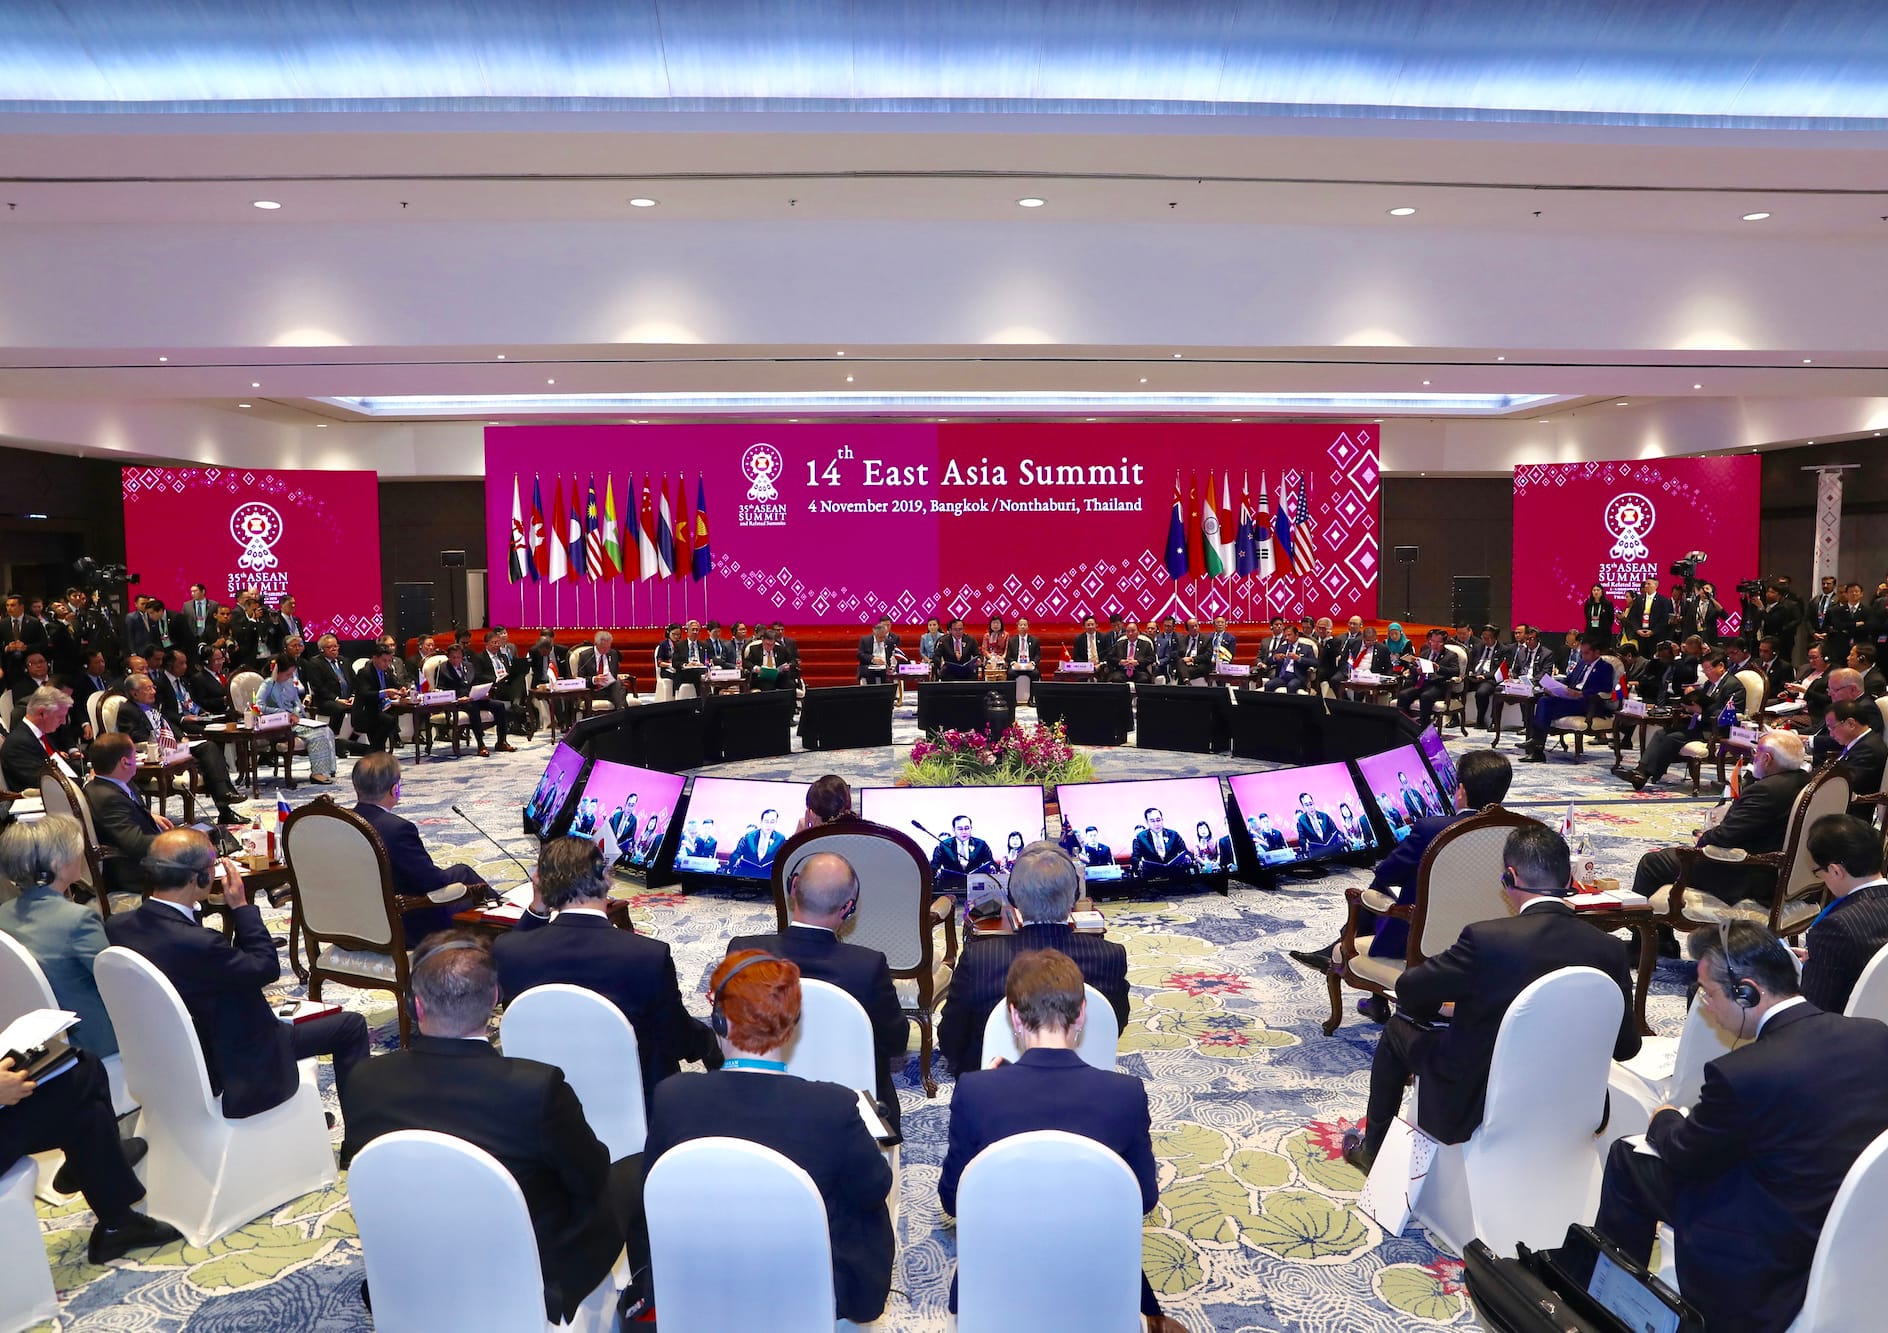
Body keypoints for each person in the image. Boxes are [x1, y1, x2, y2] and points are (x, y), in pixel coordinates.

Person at [1589, 923, 1888, 1333]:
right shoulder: (1874, 1035)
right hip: (1851, 1216)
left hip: (1765, 1247)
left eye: (1708, 994)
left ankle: (1612, 1307)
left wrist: (1665, 1117)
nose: (1706, 1007)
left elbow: (1685, 1155)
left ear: (1747, 991)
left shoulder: (1741, 1074)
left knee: (1628, 1155)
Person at [340, 932, 640, 1324]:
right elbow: (591, 1176)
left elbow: (363, 1168)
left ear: (416, 1005)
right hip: (529, 1273)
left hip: (416, 1258)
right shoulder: (537, 1087)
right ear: (495, 997)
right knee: (631, 1173)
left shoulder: (364, 1079)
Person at [1342, 824, 1641, 1170]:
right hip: (1571, 1095)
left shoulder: (1487, 940)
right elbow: (1626, 1047)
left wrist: (1448, 1007)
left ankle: (1372, 1152)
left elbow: (1410, 989)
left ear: (1510, 877)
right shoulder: (1609, 949)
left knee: (1397, 1028)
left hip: (1479, 1094)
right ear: (1569, 879)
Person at [642, 951, 894, 1325]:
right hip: (806, 1284)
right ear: (791, 1026)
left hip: (700, 1271)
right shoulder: (834, 1107)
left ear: (719, 1021)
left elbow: (652, 1188)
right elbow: (875, 1188)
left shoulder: (672, 1096)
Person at [938, 950, 1174, 1328]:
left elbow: (952, 1199)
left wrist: (995, 1084)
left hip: (998, 1278)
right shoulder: (1126, 1093)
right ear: (1081, 1014)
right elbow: (1143, 1199)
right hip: (1095, 1275)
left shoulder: (975, 1091)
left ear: (1014, 1016)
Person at [105, 828, 369, 1119]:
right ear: (201, 878)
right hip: (242, 1061)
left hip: (171, 1058)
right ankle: (357, 1139)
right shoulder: (200, 944)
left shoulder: (117, 926)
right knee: (351, 1027)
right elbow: (266, 968)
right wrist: (242, 907)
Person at [496, 837, 719, 1105]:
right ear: (606, 876)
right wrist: (709, 1042)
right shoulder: (646, 955)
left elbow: (513, 947)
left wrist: (538, 908)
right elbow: (677, 1040)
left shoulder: (510, 951)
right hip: (635, 1105)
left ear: (540, 884)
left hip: (544, 1101)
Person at [1291, 751, 1513, 999]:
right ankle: (1353, 969)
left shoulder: (1432, 829)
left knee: (1379, 889)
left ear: (1460, 790)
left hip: (1422, 942)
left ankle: (1342, 945)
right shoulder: (1525, 830)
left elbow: (1387, 873)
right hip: (1496, 940)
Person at [726, 851, 910, 1131]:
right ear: (848, 908)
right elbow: (896, 1041)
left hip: (762, 1104)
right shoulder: (868, 966)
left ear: (793, 887)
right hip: (851, 1112)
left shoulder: (743, 953)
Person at [937, 841, 1129, 1074]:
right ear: (1074, 896)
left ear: (1013, 897)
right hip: (1085, 1084)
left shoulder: (978, 959)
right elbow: (1112, 1027)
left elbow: (950, 1040)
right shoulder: (1109, 957)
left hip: (994, 1089)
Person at [1629, 731, 1812, 911]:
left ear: (1767, 759)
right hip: (1787, 873)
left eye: (1755, 754)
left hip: (1747, 875)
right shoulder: (1807, 781)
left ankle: (1646, 940)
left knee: (1653, 863)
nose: (1753, 758)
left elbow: (1724, 836)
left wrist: (1703, 838)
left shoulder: (1766, 790)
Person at [0, 814, 118, 1056]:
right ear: (56, 863)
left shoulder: (3, 913)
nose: (80, 856)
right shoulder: (78, 920)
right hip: (93, 1042)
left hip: (32, 1039)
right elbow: (116, 984)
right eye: (76, 851)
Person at [350, 751, 491, 942]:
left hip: (353, 921)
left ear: (356, 786)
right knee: (464, 875)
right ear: (394, 789)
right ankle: (514, 928)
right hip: (402, 925)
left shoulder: (338, 825)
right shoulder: (398, 829)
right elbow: (433, 882)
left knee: (460, 872)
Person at [111, 672, 246, 823]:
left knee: (209, 749)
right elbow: (135, 737)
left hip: (173, 749)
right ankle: (224, 803)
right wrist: (162, 743)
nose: (154, 691)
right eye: (148, 688)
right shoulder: (127, 711)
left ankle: (225, 803)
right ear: (135, 694)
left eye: (153, 687)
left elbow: (167, 724)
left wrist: (181, 737)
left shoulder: (151, 706)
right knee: (207, 758)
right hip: (157, 755)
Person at [1796, 814, 1888, 1013]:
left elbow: (1813, 1011)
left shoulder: (1835, 928)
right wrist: (1821, 958)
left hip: (1849, 1030)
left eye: (1819, 873)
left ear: (1836, 871)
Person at [1625, 650, 1747, 789]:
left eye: (1708, 669)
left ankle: (1644, 775)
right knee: (1661, 733)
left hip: (1717, 731)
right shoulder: (1709, 684)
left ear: (1720, 666)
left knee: (1672, 738)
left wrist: (1702, 711)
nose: (1706, 673)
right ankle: (1641, 770)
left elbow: (1730, 714)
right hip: (1700, 725)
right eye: (1704, 669)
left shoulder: (1733, 686)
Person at [83, 732, 174, 897]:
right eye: (135, 755)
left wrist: (147, 815)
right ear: (125, 762)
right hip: (135, 874)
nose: (139, 759)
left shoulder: (106, 785)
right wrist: (177, 840)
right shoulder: (109, 799)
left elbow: (124, 813)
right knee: (199, 868)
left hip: (141, 861)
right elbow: (137, 845)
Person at [1520, 635, 1616, 763]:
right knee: (1544, 700)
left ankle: (1537, 745)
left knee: (1545, 710)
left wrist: (1581, 694)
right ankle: (1537, 746)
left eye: (1586, 653)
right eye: (1582, 653)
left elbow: (1606, 689)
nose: (1583, 656)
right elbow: (1568, 679)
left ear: (1597, 652)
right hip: (1570, 698)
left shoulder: (1605, 667)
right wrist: (1554, 686)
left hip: (1587, 703)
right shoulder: (1582, 663)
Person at [256, 655, 337, 783]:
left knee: (326, 729)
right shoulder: (267, 684)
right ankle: (317, 773)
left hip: (295, 719)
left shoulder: (289, 683)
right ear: (278, 671)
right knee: (317, 735)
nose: (290, 676)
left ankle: (328, 770)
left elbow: (296, 701)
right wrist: (282, 713)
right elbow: (258, 706)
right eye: (287, 674)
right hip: (279, 723)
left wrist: (299, 713)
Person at [435, 642, 513, 756]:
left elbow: (475, 683)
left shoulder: (469, 666)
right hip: (459, 702)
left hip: (474, 697)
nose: (456, 660)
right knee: (473, 707)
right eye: (453, 657)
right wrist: (458, 699)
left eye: (459, 657)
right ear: (448, 657)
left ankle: (501, 741)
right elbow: (440, 689)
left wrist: (483, 693)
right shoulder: (442, 669)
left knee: (499, 706)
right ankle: (481, 744)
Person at [3, 684, 83, 791]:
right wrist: (84, 781)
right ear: (41, 713)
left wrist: (92, 773)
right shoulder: (17, 744)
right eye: (59, 716)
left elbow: (63, 765)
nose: (63, 721)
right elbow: (44, 781)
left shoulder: (41, 734)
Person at [1822, 698, 1887, 817]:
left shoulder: (1869, 750)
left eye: (1832, 728)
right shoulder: (1860, 742)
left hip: (1850, 814)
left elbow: (1844, 785)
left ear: (1851, 724)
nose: (1831, 734)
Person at [1394, 627, 1460, 727]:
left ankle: (1424, 727)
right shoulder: (1425, 653)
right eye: (1432, 641)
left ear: (1444, 642)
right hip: (1421, 683)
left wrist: (1438, 668)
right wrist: (1417, 670)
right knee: (1403, 695)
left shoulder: (1451, 655)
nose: (1435, 644)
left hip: (1437, 686)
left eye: (1438, 642)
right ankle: (1405, 726)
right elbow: (1413, 667)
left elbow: (1456, 671)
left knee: (1426, 696)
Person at [348, 642, 405, 752]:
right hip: (365, 712)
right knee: (389, 720)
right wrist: (385, 693)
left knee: (391, 718)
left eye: (389, 661)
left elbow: (396, 685)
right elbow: (365, 694)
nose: (387, 664)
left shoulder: (387, 671)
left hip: (381, 709)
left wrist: (402, 690)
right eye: (384, 660)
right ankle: (374, 749)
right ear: (375, 658)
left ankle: (375, 750)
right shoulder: (364, 673)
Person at [929, 812, 995, 892]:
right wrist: (937, 871)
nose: (964, 832)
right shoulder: (944, 845)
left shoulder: (981, 844)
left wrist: (992, 867)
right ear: (954, 830)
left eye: (967, 828)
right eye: (960, 829)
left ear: (971, 828)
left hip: (976, 887)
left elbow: (991, 863)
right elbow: (934, 866)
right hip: (951, 887)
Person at [1130, 806, 1191, 880]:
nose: (1156, 824)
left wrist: (1188, 858)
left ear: (1162, 820)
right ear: (1147, 822)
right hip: (1152, 878)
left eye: (1158, 820)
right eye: (1152, 821)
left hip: (1175, 876)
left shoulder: (1173, 835)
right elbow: (1134, 858)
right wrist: (1139, 863)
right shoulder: (1141, 837)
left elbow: (1186, 852)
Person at [727, 807, 785, 876]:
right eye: (766, 821)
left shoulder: (780, 838)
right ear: (761, 822)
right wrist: (735, 861)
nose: (769, 825)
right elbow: (736, 854)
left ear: (776, 823)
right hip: (747, 874)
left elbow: (782, 858)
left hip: (767, 876)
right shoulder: (749, 837)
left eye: (772, 822)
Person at [1619, 577, 1672, 652]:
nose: (1646, 586)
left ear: (1655, 586)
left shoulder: (1663, 600)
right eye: (1645, 584)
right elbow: (1633, 617)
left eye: (1648, 584)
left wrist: (1653, 631)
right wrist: (1637, 630)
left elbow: (1664, 619)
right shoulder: (1639, 599)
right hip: (1640, 635)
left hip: (1655, 636)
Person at [742, 624, 799, 692]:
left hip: (779, 677)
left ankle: (788, 703)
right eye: (768, 644)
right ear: (763, 640)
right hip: (762, 679)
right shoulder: (754, 649)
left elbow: (793, 661)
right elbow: (745, 662)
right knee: (768, 686)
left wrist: (789, 666)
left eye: (772, 645)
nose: (770, 647)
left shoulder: (781, 649)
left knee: (790, 685)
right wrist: (755, 668)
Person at [1292, 790, 1344, 858]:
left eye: (1311, 804)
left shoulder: (1324, 816)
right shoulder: (1301, 821)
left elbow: (1335, 830)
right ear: (1303, 807)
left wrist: (1341, 836)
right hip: (1318, 854)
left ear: (1313, 803)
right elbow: (1301, 839)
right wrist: (1305, 845)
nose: (1310, 807)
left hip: (1333, 850)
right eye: (1307, 805)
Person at [933, 616, 978, 680]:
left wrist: (979, 660)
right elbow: (936, 656)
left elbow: (977, 654)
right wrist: (941, 663)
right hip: (949, 672)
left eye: (960, 629)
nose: (958, 632)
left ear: (963, 629)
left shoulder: (970, 640)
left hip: (966, 672)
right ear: (950, 630)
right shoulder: (943, 641)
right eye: (955, 629)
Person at [856, 616, 897, 685]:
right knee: (869, 672)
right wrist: (872, 659)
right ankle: (873, 692)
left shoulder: (889, 642)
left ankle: (887, 693)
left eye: (884, 637)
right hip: (869, 665)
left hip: (884, 667)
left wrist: (891, 664)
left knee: (888, 673)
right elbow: (860, 655)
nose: (883, 639)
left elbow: (892, 656)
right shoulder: (865, 640)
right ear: (875, 634)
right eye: (881, 637)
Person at [1004, 616, 1042, 687]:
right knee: (1010, 673)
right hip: (1017, 665)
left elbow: (1038, 655)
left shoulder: (1034, 640)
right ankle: (1011, 696)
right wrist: (1013, 663)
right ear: (1017, 627)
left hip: (1029, 665)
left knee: (1035, 673)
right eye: (1021, 625)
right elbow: (1008, 656)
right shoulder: (1012, 640)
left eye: (1025, 625)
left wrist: (1032, 663)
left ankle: (1033, 696)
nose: (1022, 627)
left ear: (1028, 627)